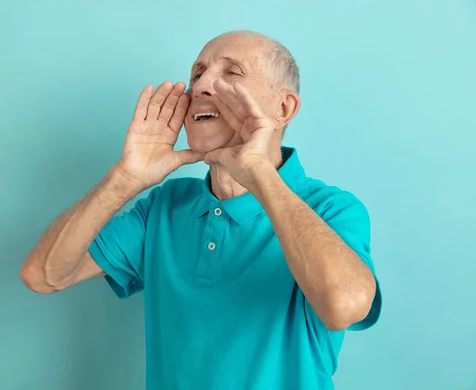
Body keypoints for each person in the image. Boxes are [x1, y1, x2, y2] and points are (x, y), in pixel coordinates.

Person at [20, 30, 382, 390]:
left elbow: (345, 306)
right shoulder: (166, 206)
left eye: (231, 73)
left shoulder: (331, 210)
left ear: (283, 108)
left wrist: (258, 172)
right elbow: (44, 275)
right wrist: (124, 180)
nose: (202, 86)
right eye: (197, 74)